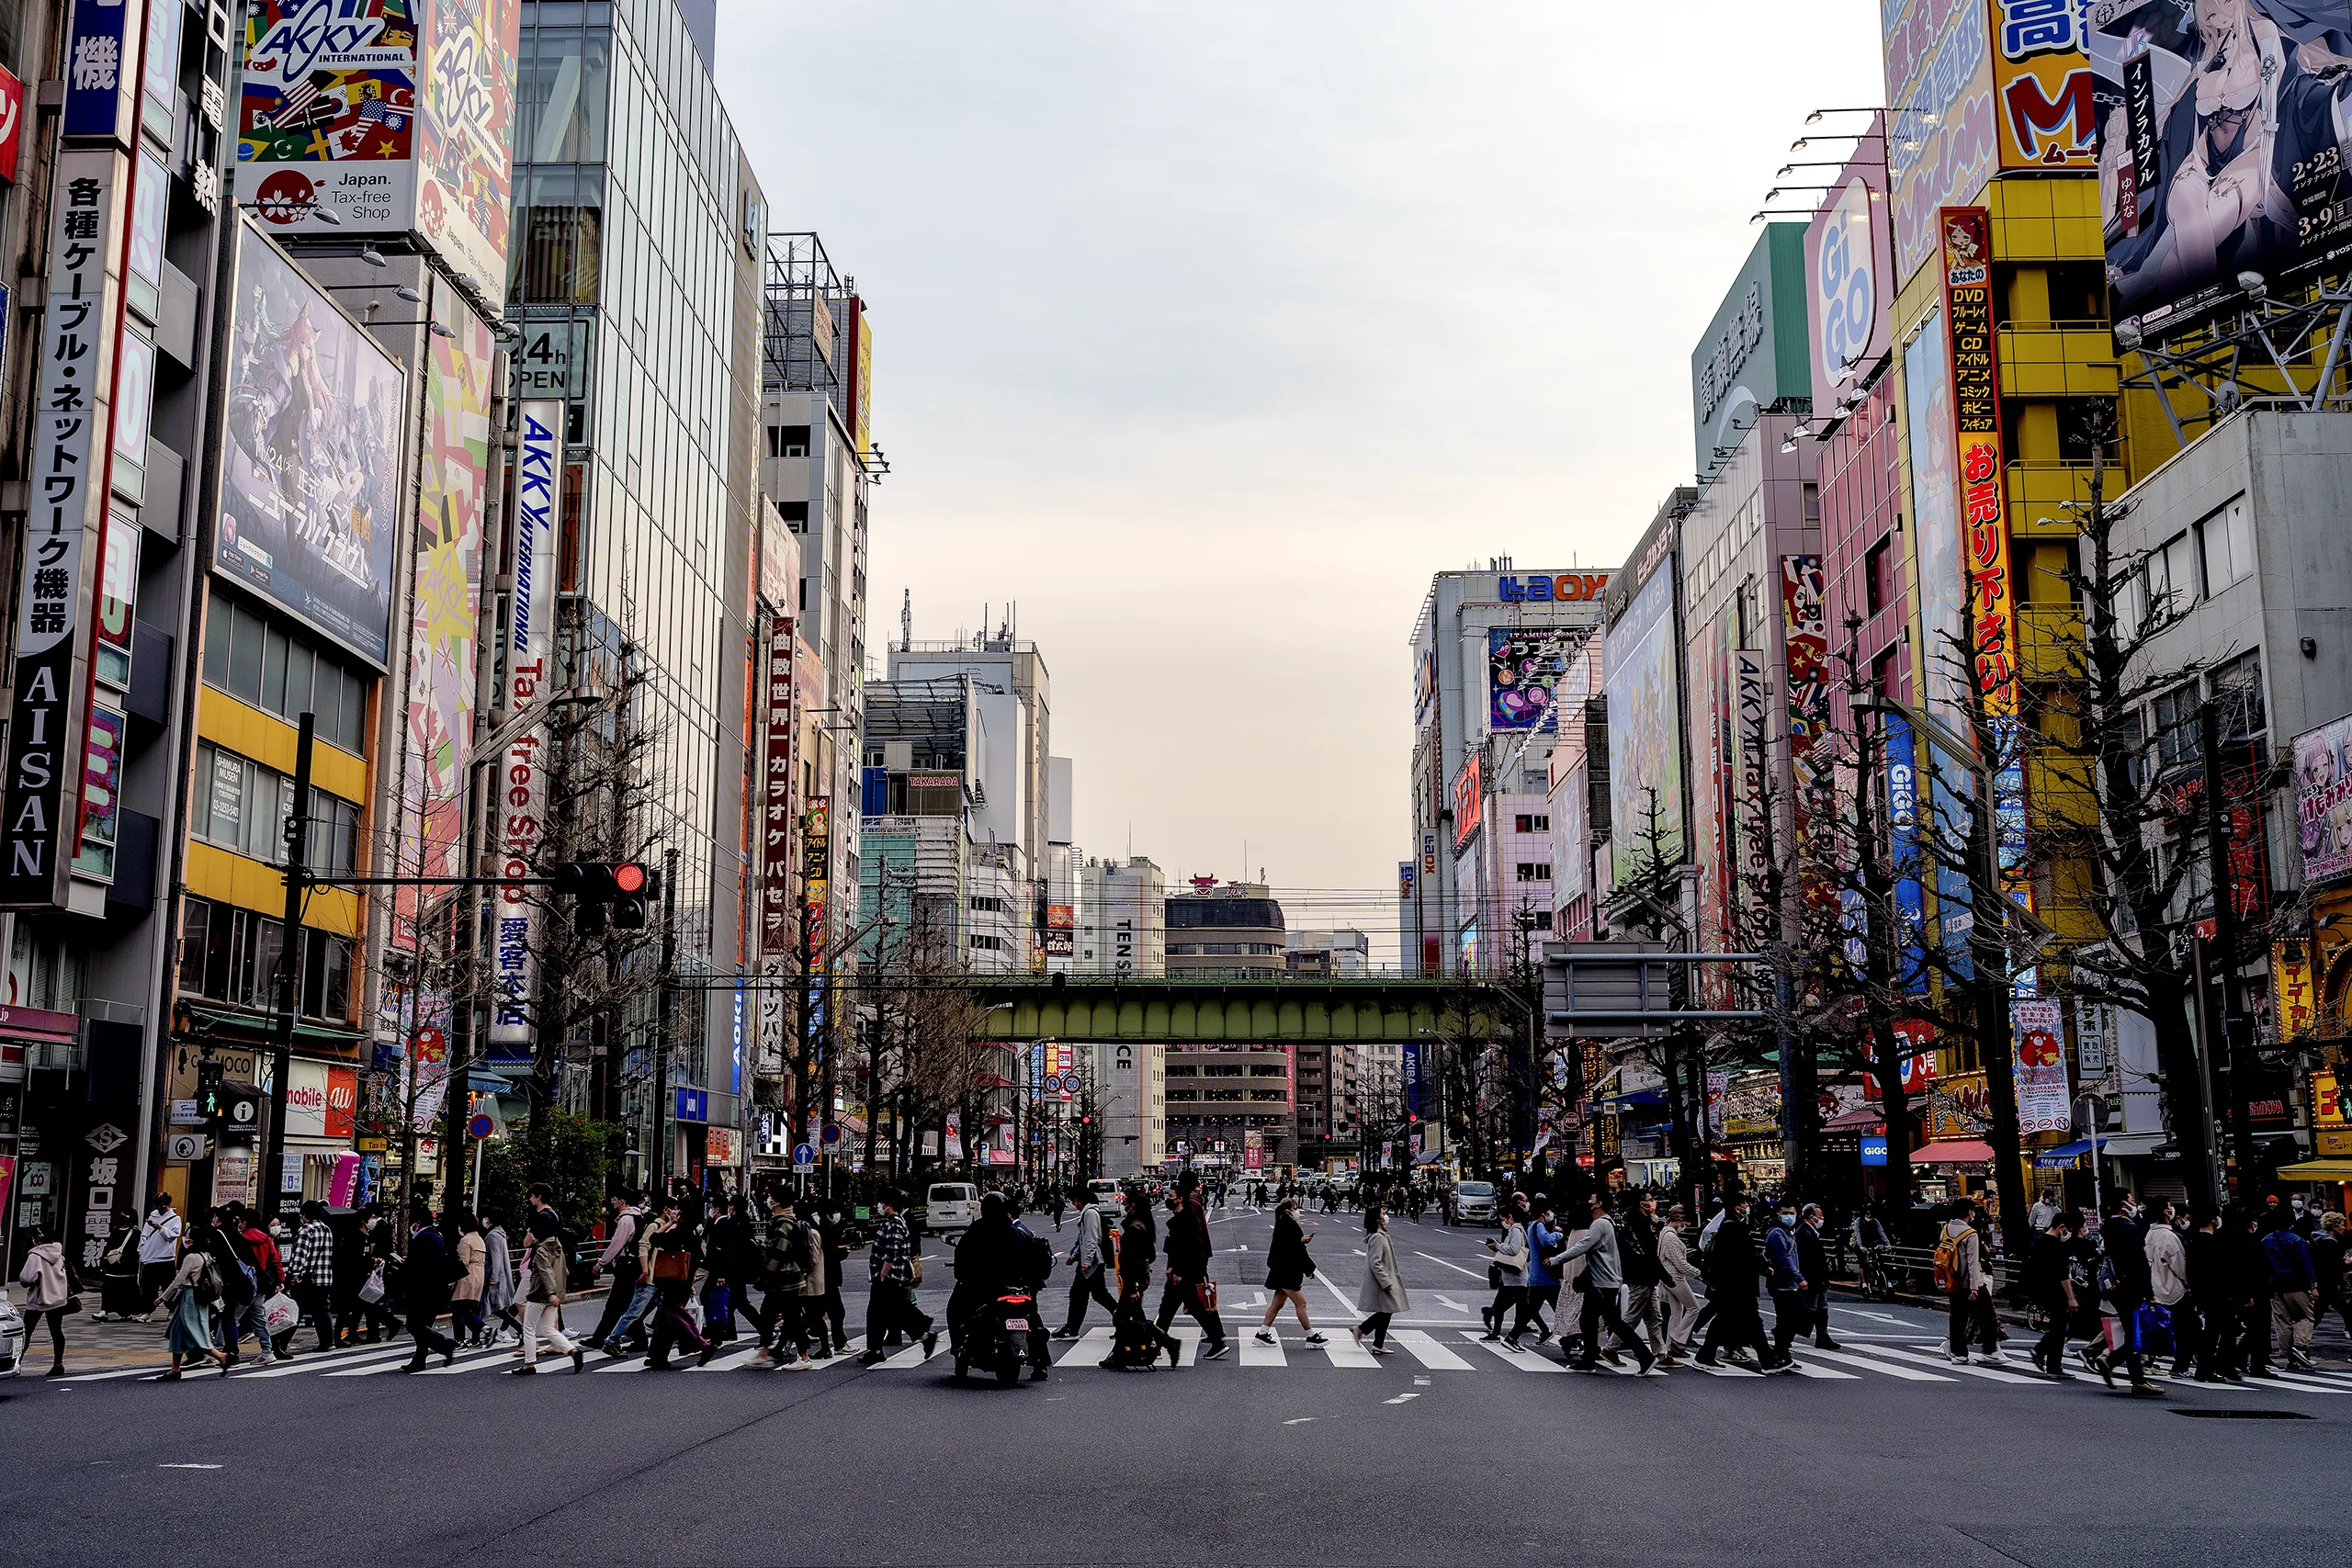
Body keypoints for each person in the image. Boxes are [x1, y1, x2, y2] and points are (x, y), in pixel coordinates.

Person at [1552, 1192, 1658, 1375]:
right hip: (1606, 1281)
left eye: (1592, 1199)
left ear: (1599, 1203)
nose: (1589, 1202)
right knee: (1592, 1320)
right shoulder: (1607, 1222)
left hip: (1602, 1282)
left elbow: (1582, 1246)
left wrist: (1556, 1259)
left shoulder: (1600, 1224)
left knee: (1607, 1321)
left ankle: (1644, 1356)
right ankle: (1589, 1359)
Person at [950, 1191, 1051, 1380]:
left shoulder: (975, 1231)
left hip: (982, 1288)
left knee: (956, 1308)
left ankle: (960, 1348)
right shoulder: (1016, 1233)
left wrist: (966, 1275)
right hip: (1015, 1287)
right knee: (1033, 1316)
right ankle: (1041, 1362)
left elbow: (961, 1264)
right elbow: (1032, 1261)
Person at [1697, 1195, 1781, 1371]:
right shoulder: (1732, 1228)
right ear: (1736, 1207)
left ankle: (1706, 1354)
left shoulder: (1733, 1226)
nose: (1748, 1206)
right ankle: (1768, 1359)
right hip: (1738, 1284)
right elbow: (1741, 1257)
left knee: (1730, 1320)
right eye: (1745, 1204)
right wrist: (1762, 1264)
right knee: (1749, 1322)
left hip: (1735, 1284)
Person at [2087, 1195, 2159, 1394]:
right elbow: (2139, 1262)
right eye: (2131, 1199)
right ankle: (2111, 1361)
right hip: (2132, 1286)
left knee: (2131, 1332)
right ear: (2123, 1205)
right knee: (2136, 1334)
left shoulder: (2108, 1227)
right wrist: (2149, 1291)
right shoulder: (2129, 1228)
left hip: (2116, 1287)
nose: (2134, 1203)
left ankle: (2137, 1379)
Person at [510, 1199, 586, 1374]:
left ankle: (529, 1364)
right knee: (549, 1329)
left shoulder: (541, 1249)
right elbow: (561, 1271)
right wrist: (557, 1293)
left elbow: (544, 1271)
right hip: (554, 1294)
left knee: (529, 1328)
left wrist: (550, 1292)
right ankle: (572, 1351)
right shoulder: (557, 1246)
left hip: (540, 1293)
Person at [860, 1192, 936, 1366]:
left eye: (882, 1202)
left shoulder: (894, 1223)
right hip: (890, 1276)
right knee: (883, 1312)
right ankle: (876, 1349)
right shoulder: (894, 1222)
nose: (880, 1206)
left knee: (892, 1310)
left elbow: (892, 1252)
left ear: (890, 1204)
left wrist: (882, 1273)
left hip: (890, 1277)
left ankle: (923, 1333)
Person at [1155, 1185, 1229, 1359]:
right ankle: (1218, 1342)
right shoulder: (1180, 1219)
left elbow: (1189, 1248)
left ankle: (1156, 1345)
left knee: (1169, 1308)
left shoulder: (1184, 1221)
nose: (1168, 1198)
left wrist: (1178, 1271)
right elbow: (1177, 1248)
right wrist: (1172, 1267)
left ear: (1180, 1199)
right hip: (1183, 1271)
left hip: (1184, 1273)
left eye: (1171, 1196)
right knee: (1193, 1308)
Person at [640, 1199, 714, 1370]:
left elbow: (655, 1238)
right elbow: (696, 1260)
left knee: (674, 1314)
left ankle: (702, 1344)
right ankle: (657, 1356)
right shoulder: (693, 1233)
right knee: (666, 1321)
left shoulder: (678, 1233)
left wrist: (670, 1222)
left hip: (672, 1281)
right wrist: (691, 1283)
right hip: (684, 1280)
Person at [750, 1191, 814, 1368]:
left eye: (770, 1198)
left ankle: (801, 1357)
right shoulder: (789, 1220)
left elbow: (779, 1251)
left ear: (776, 1202)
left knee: (785, 1316)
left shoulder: (783, 1223)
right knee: (779, 1314)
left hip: (784, 1278)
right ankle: (767, 1352)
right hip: (790, 1277)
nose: (768, 1201)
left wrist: (766, 1273)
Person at [1940, 1201, 2007, 1365]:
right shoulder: (1971, 1233)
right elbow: (1972, 1262)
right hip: (1969, 1282)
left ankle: (1959, 1353)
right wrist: (1974, 1287)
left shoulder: (1946, 1229)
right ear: (1969, 1213)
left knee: (1957, 1317)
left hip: (1951, 1281)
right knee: (1988, 1315)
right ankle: (1990, 1350)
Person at [585, 1190, 650, 1354]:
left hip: (626, 1266)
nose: (612, 1202)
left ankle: (602, 1338)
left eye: (614, 1199)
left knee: (619, 1304)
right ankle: (599, 1338)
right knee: (622, 1304)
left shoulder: (626, 1220)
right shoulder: (639, 1217)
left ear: (622, 1201)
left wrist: (600, 1264)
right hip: (634, 1264)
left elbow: (616, 1244)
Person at [161, 1230, 232, 1379]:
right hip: (201, 1298)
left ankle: (221, 1356)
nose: (185, 1239)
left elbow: (179, 1280)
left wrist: (163, 1297)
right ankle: (175, 1369)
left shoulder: (191, 1258)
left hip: (191, 1298)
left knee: (194, 1332)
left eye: (187, 1236)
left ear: (193, 1240)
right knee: (177, 1332)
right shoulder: (206, 1256)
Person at [1257, 1195, 1326, 1345]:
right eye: (1295, 1208)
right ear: (1288, 1211)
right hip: (1287, 1271)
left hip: (1281, 1270)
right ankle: (1311, 1336)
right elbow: (1296, 1250)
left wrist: (1300, 1241)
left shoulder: (1283, 1223)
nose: (1297, 1211)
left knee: (1277, 1303)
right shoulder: (1289, 1225)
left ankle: (1262, 1334)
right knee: (1301, 1303)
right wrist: (1309, 1268)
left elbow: (1288, 1246)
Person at [400, 1203, 460, 1371]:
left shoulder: (423, 1238)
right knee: (423, 1324)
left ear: (417, 1223)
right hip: (434, 1289)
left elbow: (419, 1266)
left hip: (423, 1289)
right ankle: (419, 1360)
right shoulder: (435, 1235)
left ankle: (444, 1344)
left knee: (414, 1324)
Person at [2185, 1206, 2240, 1382]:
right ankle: (2217, 1367)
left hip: (2202, 1293)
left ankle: (2206, 1369)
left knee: (2212, 1331)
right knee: (2225, 1330)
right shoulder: (2216, 1243)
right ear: (2213, 1220)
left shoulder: (2193, 1242)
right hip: (2218, 1294)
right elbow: (2224, 1271)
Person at [13, 1224, 75, 1376]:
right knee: (56, 1331)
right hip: (58, 1299)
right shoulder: (58, 1252)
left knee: (26, 1332)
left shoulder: (36, 1255)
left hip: (39, 1300)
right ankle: (58, 1364)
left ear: (38, 1239)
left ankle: (15, 1364)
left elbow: (26, 1278)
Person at [2026, 1210, 2081, 1380]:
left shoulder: (2039, 1242)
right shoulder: (2056, 1246)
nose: (2068, 1234)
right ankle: (2051, 1363)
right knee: (2060, 1326)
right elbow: (2062, 1275)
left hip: (2039, 1288)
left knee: (2057, 1326)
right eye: (2068, 1231)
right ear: (2061, 1227)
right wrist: (2071, 1297)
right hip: (2055, 1290)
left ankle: (2044, 1356)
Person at [1057, 1191, 1121, 1338]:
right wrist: (1074, 1256)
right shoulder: (1090, 1213)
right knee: (1087, 1295)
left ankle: (1124, 1322)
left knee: (1092, 1295)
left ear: (1079, 1200)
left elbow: (1092, 1238)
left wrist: (1086, 1261)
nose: (1074, 1204)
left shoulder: (1090, 1214)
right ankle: (1072, 1328)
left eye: (1074, 1201)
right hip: (1091, 1261)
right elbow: (1083, 1239)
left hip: (1092, 1262)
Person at [2145, 1199, 2196, 1379]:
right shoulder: (2169, 1237)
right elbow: (2180, 1266)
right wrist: (2189, 1284)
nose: (2172, 1209)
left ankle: (2149, 1359)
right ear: (2166, 1212)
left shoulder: (2149, 1234)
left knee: (2160, 1327)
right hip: (2173, 1289)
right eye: (2169, 1206)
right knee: (2188, 1329)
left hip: (2155, 1287)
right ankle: (2181, 1366)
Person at [2262, 1210, 2318, 1371]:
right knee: (2304, 1316)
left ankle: (2288, 1355)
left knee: (2282, 1321)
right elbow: (2306, 1264)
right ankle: (2300, 1347)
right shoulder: (2297, 1240)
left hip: (2274, 1285)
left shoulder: (2266, 1240)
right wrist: (2313, 1285)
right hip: (2296, 1284)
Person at [1619, 1193, 1671, 1357]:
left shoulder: (1637, 1222)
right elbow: (1650, 1255)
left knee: (1654, 1318)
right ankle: (1611, 1348)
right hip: (1640, 1275)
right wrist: (1665, 1276)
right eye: (1650, 1200)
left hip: (1643, 1275)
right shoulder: (1639, 1225)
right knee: (1632, 1317)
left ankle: (1661, 1353)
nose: (1653, 1203)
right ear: (1642, 1204)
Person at [284, 1201, 338, 1354]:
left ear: (305, 1215)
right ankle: (328, 1342)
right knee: (322, 1311)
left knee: (296, 1309)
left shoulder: (305, 1230)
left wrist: (294, 1275)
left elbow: (300, 1255)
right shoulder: (326, 1229)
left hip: (307, 1279)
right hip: (324, 1277)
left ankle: (282, 1343)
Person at [1352, 1205, 1408, 1353]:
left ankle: (1377, 1343)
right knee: (1387, 1310)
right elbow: (1375, 1262)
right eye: (1383, 1213)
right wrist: (1386, 1282)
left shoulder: (1380, 1235)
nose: (1386, 1214)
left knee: (1387, 1310)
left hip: (1384, 1280)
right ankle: (1361, 1330)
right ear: (1378, 1220)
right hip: (1381, 1282)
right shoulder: (1377, 1237)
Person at [1657, 1203, 1701, 1365]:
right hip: (1675, 1277)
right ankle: (1678, 1340)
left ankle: (1669, 1347)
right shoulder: (1671, 1237)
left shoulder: (1665, 1233)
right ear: (1681, 1219)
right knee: (1694, 1308)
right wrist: (1699, 1273)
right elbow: (1680, 1264)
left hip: (1669, 1276)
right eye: (1686, 1223)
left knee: (1677, 1311)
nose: (1686, 1226)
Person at [1516, 1198, 1563, 1348]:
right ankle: (1572, 1338)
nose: (1551, 1213)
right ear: (1544, 1213)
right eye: (1549, 1211)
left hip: (1538, 1275)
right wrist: (1559, 1235)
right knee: (1561, 1309)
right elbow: (1546, 1240)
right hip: (1545, 1276)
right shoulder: (1539, 1225)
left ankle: (1543, 1332)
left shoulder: (1532, 1225)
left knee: (1532, 1308)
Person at [1483, 1204, 1528, 1345]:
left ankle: (1511, 1336)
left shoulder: (1516, 1230)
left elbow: (1514, 1250)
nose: (1503, 1222)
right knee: (1501, 1305)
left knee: (1519, 1309)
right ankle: (1496, 1332)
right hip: (1509, 1277)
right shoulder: (1517, 1230)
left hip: (1516, 1277)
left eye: (1504, 1219)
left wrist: (1497, 1246)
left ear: (1510, 1217)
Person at [136, 1195, 183, 1320]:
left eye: (163, 1206)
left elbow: (173, 1235)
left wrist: (161, 1228)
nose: (160, 1209)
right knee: (148, 1287)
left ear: (168, 1205)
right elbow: (144, 1235)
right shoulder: (152, 1216)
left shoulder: (175, 1218)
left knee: (169, 1286)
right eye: (158, 1206)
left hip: (166, 1258)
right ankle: (147, 1311)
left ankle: (172, 1309)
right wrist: (142, 1250)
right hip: (150, 1258)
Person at [448, 1209, 488, 1348]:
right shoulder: (480, 1239)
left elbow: (463, 1262)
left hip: (466, 1276)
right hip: (479, 1275)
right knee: (472, 1308)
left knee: (458, 1309)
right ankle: (476, 1338)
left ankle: (460, 1339)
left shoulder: (465, 1240)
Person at [481, 1210, 520, 1345]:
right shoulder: (500, 1234)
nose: (485, 1220)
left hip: (495, 1277)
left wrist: (493, 1278)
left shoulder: (492, 1236)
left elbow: (495, 1258)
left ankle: (512, 1328)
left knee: (492, 1305)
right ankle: (510, 1329)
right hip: (502, 1275)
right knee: (496, 1306)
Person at [2313, 1211, 2349, 1340]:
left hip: (2324, 1284)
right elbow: (2332, 1264)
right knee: (2345, 1310)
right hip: (2328, 1284)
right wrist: (2346, 1263)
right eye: (2341, 1224)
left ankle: (2300, 1341)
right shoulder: (2329, 1243)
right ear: (2334, 1226)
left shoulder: (2322, 1240)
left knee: (2317, 1313)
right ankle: (2300, 1342)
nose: (2344, 1227)